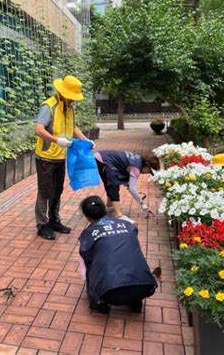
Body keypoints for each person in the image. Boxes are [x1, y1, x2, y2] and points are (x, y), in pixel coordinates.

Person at [34, 75, 92, 240]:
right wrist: (57, 140)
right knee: (45, 192)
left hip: (60, 157)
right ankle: (42, 225)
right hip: (45, 157)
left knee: (57, 191)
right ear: (63, 92)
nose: (73, 100)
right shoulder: (49, 106)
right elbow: (38, 129)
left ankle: (54, 220)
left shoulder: (69, 108)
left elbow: (73, 127)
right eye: (71, 97)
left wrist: (86, 141)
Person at [78, 196, 157, 314]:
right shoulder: (128, 225)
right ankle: (136, 301)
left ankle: (100, 302)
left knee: (89, 267)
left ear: (87, 217)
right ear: (104, 208)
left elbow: (86, 262)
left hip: (110, 292)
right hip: (144, 286)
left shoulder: (88, 234)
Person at [95, 150, 160, 222]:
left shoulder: (138, 159)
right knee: (113, 185)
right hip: (104, 160)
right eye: (149, 171)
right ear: (147, 166)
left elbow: (130, 185)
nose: (147, 173)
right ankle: (119, 215)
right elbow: (132, 188)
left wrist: (132, 188)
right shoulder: (136, 168)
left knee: (111, 183)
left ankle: (109, 206)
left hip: (102, 156)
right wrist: (142, 204)